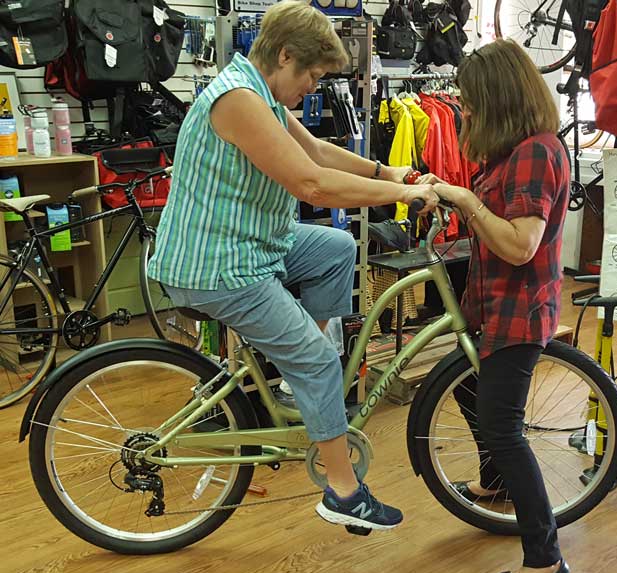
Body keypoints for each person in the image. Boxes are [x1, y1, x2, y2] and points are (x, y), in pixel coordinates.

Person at [148, 1, 439, 532]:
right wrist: (398, 193)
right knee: (320, 361)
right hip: (218, 265)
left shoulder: (259, 92)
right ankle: (344, 492)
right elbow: (310, 184)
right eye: (310, 74)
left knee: (336, 249)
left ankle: (291, 382)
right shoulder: (238, 101)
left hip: (253, 243)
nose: (312, 86)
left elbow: (320, 153)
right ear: (284, 56)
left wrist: (386, 168)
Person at [418, 39, 571, 573]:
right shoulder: (513, 149)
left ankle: (545, 562)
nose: (467, 111)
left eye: (474, 101)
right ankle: (496, 484)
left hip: (520, 313)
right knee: (464, 389)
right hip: (494, 305)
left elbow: (521, 245)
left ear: (499, 97)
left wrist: (465, 199)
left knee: (504, 428)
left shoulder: (536, 151)